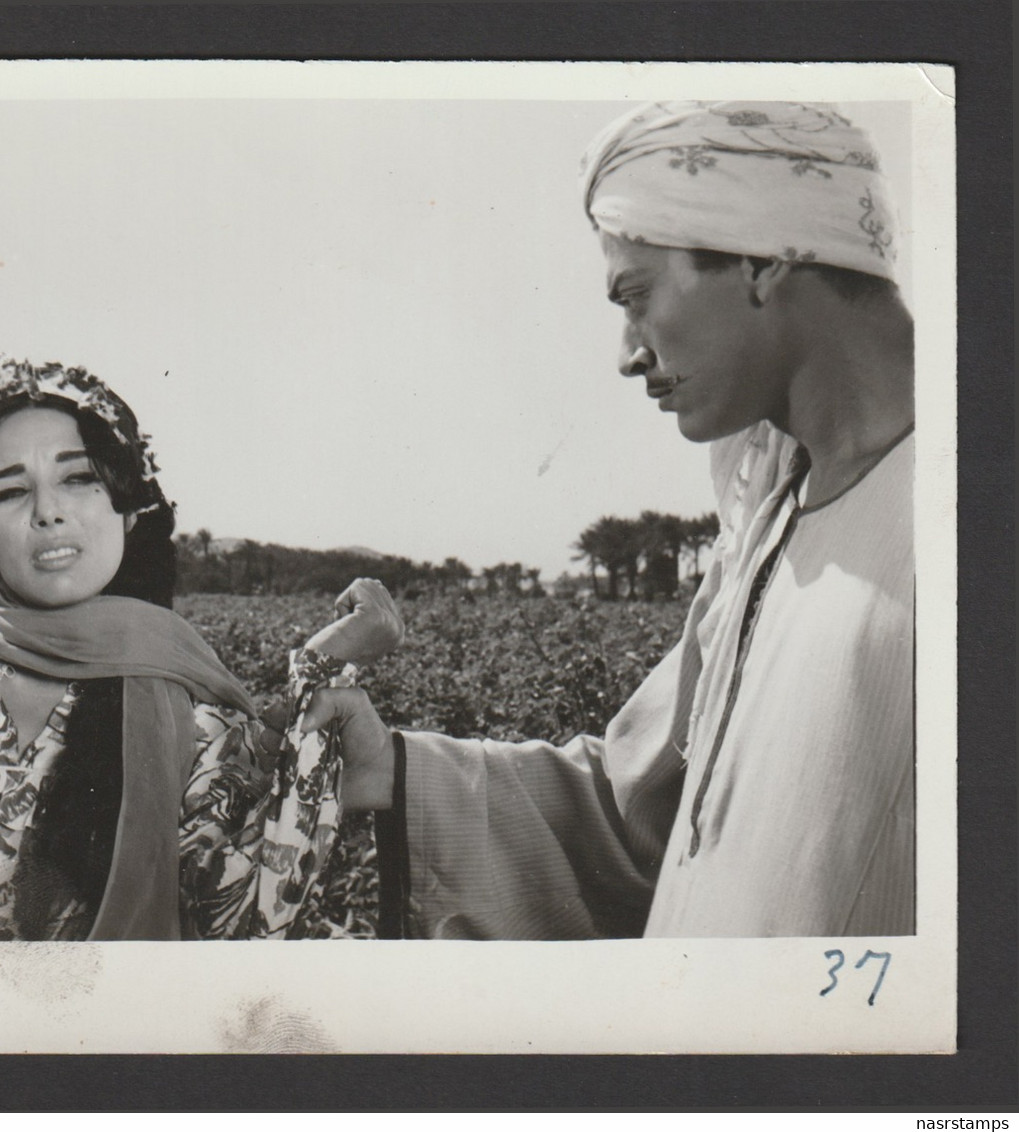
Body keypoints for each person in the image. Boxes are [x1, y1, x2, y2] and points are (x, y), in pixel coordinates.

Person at [302, 101, 916, 939]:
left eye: (635, 295)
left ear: (761, 261)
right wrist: (391, 767)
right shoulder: (768, 531)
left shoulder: (954, 517)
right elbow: (649, 825)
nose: (627, 353)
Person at [0, 355, 401, 942]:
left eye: (78, 478)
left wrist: (325, 667)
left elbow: (249, 922)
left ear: (129, 506)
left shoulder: (204, 723)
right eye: (8, 490)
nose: (47, 511)